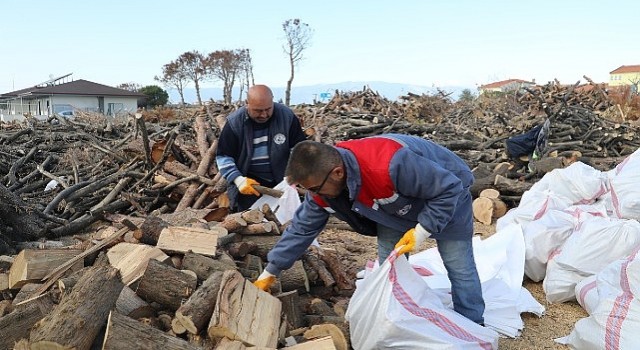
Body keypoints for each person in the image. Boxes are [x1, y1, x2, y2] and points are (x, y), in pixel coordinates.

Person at [253, 134, 485, 324]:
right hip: (394, 208)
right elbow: (302, 229)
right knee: (390, 269)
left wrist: (423, 230)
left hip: (447, 195)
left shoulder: (389, 164)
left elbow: (448, 189)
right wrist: (270, 271)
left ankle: (472, 324)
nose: (313, 194)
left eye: (315, 188)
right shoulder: (322, 188)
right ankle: (399, 318)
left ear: (337, 173)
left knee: (459, 267)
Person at [215, 85, 307, 211]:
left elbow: (300, 149)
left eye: (268, 109)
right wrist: (238, 179)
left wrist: (295, 173)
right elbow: (223, 157)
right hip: (250, 185)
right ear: (247, 104)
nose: (264, 115)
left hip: (281, 182)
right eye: (258, 111)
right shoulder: (235, 123)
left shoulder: (287, 117)